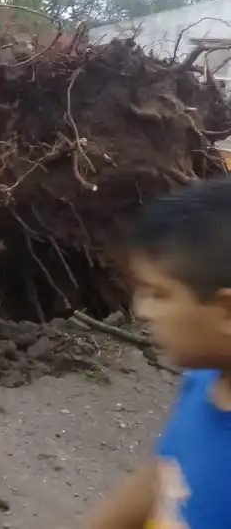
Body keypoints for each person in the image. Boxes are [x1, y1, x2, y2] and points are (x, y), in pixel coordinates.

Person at [82, 176, 231, 529]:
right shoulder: (203, 382)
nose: (142, 310)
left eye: (159, 294)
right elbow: (161, 473)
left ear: (227, 313)